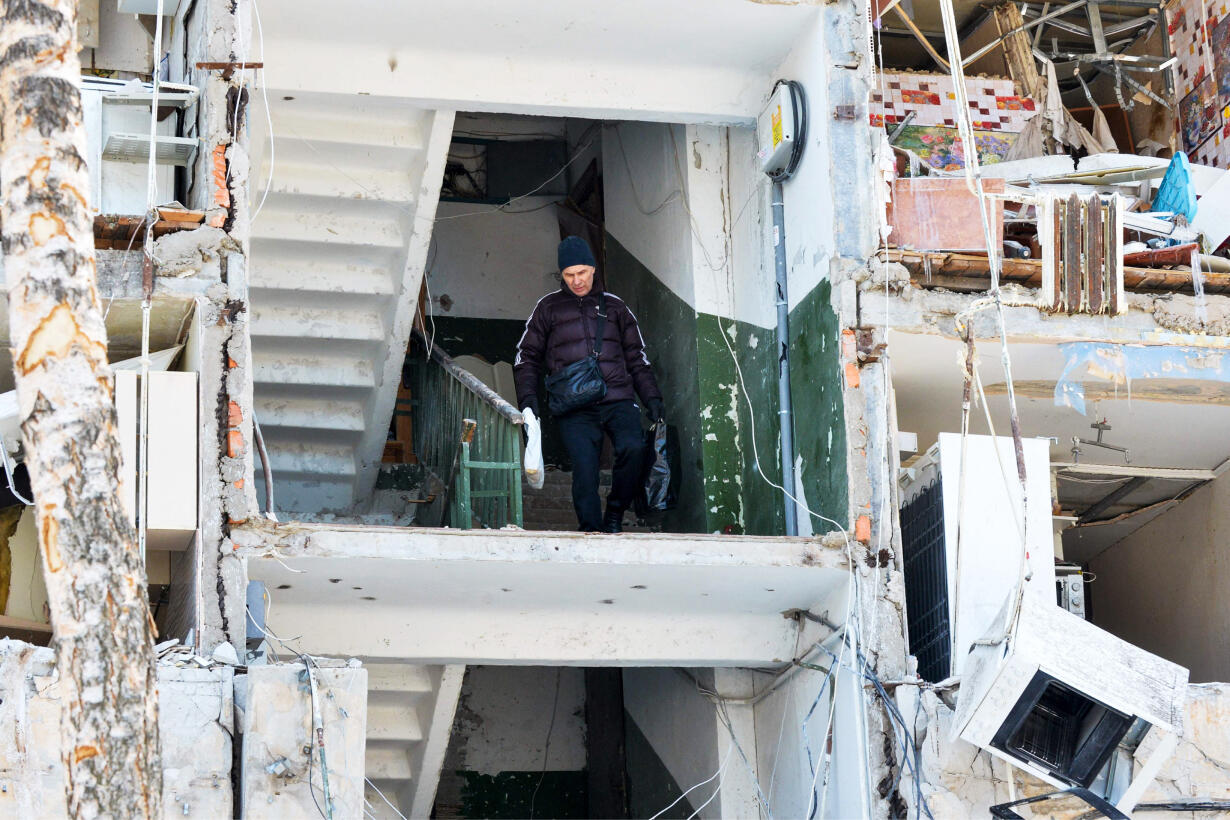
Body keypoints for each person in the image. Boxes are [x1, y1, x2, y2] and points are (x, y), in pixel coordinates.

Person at [514, 236, 664, 533]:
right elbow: (526, 356)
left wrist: (652, 398)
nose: (577, 280)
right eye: (569, 275)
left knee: (633, 448)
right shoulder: (548, 308)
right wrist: (528, 400)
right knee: (585, 469)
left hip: (618, 397)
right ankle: (591, 529)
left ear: (593, 269)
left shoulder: (616, 307)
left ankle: (616, 512)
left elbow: (637, 358)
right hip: (574, 405)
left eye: (582, 272)